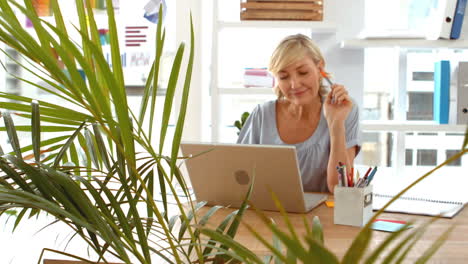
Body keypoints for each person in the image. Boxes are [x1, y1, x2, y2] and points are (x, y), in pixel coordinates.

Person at [237, 34, 361, 193]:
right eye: (284, 77)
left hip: (320, 216)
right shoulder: (262, 114)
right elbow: (239, 178)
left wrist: (336, 124)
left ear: (320, 69)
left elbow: (339, 189)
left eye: (303, 72)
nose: (294, 84)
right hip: (268, 213)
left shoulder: (345, 109)